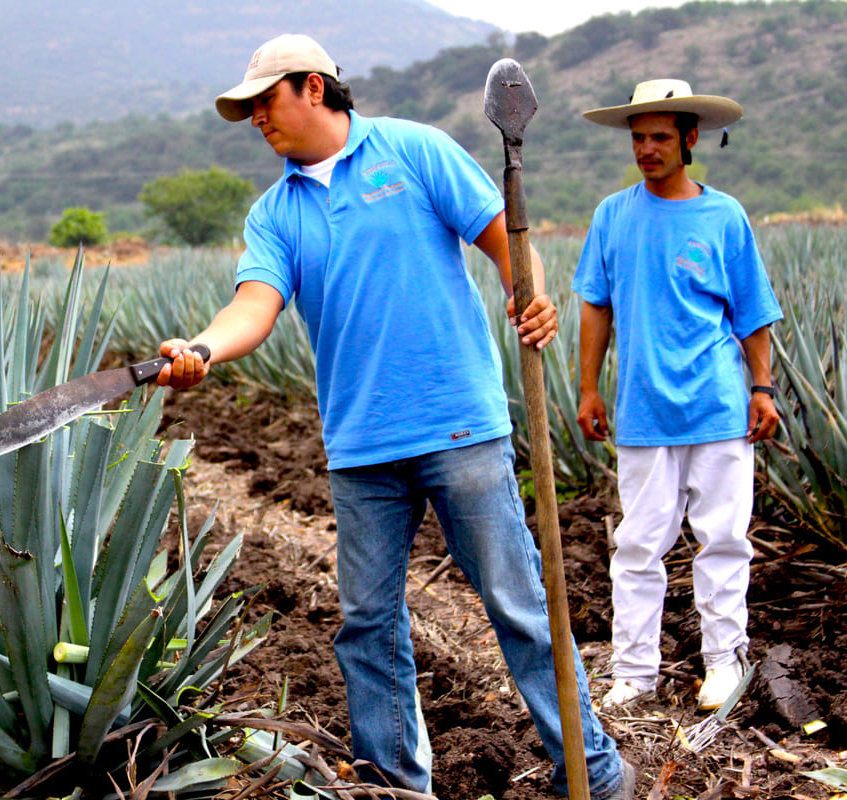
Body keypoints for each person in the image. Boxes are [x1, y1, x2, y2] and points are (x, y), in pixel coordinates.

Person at [157, 33, 633, 799]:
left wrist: (529, 293)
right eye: (245, 110)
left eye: (264, 102)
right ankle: (395, 787)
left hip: (460, 428)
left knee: (517, 607)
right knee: (367, 629)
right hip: (360, 449)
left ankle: (595, 771)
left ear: (314, 87)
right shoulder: (275, 213)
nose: (255, 120)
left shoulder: (414, 151)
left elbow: (509, 239)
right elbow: (255, 306)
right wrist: (204, 351)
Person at [574, 80, 783, 712]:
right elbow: (594, 304)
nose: (647, 149)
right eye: (638, 139)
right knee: (638, 547)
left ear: (690, 140)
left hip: (718, 406)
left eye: (660, 137)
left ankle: (724, 661)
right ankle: (635, 673)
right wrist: (588, 386)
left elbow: (751, 313)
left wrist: (763, 387)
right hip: (642, 409)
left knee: (722, 539)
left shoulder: (724, 215)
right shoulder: (614, 214)